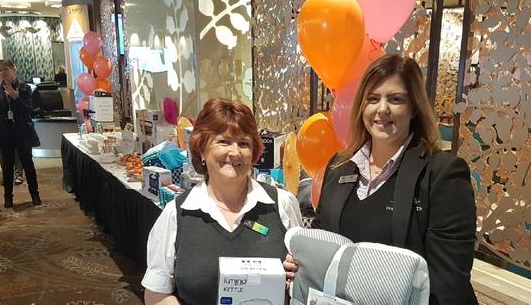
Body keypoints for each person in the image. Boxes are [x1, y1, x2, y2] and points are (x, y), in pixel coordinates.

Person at [283, 54, 478, 304]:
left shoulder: (443, 175)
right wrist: (301, 261)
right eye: (372, 99)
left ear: (415, 108)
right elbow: (324, 240)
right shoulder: (339, 167)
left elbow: (448, 282)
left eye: (395, 99)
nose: (382, 109)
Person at [142, 99, 303, 305]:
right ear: (202, 149)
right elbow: (156, 294)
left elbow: (302, 286)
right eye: (224, 141)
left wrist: (297, 274)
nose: (235, 152)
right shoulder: (177, 214)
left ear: (253, 153)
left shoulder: (283, 204)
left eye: (244, 143)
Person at [0, 60, 41, 208]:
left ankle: (35, 195)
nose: (3, 72)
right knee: (7, 167)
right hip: (4, 133)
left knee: (28, 165)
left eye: (6, 69)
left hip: (22, 132)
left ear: (14, 70)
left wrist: (16, 97)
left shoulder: (25, 88)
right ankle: (8, 197)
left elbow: (28, 112)